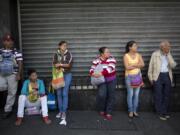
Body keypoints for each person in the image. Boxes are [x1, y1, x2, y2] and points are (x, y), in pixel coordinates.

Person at [148, 40, 177, 121]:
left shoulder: (169, 54)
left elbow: (173, 65)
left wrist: (168, 56)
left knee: (167, 94)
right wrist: (150, 78)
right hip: (157, 76)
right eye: (167, 46)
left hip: (167, 75)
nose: (169, 48)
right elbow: (151, 66)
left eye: (169, 46)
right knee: (158, 95)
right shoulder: (155, 54)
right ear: (162, 47)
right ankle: (160, 112)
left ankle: (164, 111)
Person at [90, 47, 117, 120]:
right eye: (107, 52)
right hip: (101, 81)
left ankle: (109, 112)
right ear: (102, 54)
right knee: (102, 95)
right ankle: (102, 109)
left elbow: (110, 69)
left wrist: (100, 73)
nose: (109, 53)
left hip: (111, 80)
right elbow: (92, 69)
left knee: (111, 96)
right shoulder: (96, 60)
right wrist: (93, 73)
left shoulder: (112, 59)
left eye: (109, 52)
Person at [0, 34, 23, 119]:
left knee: (12, 92)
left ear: (12, 42)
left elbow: (20, 63)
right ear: (3, 42)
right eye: (6, 40)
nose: (8, 42)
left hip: (12, 74)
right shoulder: (0, 51)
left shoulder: (16, 51)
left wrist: (18, 74)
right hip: (1, 74)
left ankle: (7, 109)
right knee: (2, 87)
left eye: (10, 40)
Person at [53, 41, 73, 125]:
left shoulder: (69, 54)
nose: (65, 47)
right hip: (58, 75)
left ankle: (64, 111)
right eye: (63, 45)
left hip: (67, 75)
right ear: (59, 46)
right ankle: (60, 111)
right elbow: (54, 64)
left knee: (65, 93)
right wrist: (59, 66)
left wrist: (60, 64)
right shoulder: (55, 54)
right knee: (58, 93)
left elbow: (69, 65)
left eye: (66, 45)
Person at [123, 41, 145, 118]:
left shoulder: (138, 55)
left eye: (136, 46)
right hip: (129, 77)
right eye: (135, 46)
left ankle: (135, 110)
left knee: (136, 95)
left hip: (138, 76)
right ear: (130, 47)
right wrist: (137, 65)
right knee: (130, 94)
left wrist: (133, 64)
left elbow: (142, 64)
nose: (136, 47)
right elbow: (127, 67)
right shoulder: (126, 56)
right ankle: (130, 111)